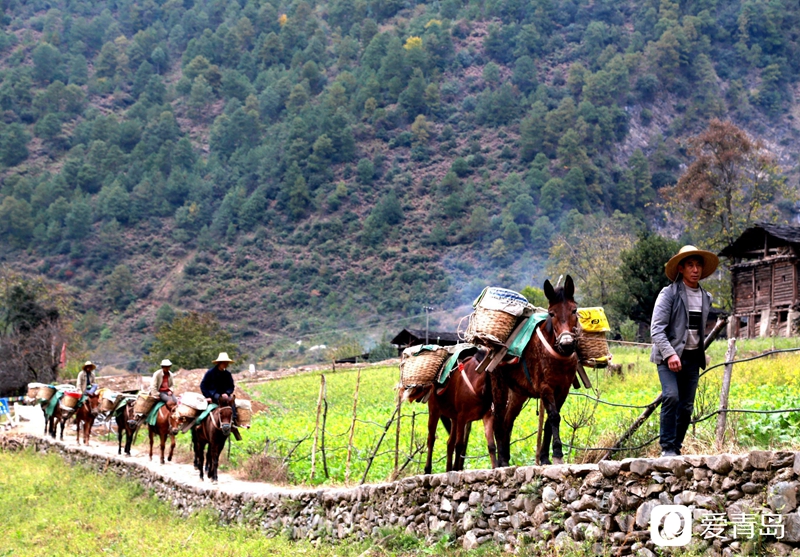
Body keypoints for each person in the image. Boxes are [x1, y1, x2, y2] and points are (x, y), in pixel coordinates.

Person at [650, 245, 717, 457]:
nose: (695, 270)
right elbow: (656, 329)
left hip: (691, 358)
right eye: (690, 265)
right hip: (667, 357)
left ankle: (676, 449)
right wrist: (670, 354)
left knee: (686, 407)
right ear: (681, 268)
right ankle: (667, 448)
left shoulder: (706, 297)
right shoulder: (669, 294)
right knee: (671, 396)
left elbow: (697, 330)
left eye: (698, 265)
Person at [200, 353, 236, 419]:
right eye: (224, 363)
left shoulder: (227, 374)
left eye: (227, 363)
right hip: (213, 394)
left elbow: (231, 386)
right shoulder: (210, 373)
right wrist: (208, 396)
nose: (226, 365)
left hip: (225, 395)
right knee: (222, 400)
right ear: (219, 363)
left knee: (231, 401)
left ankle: (233, 419)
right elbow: (203, 385)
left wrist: (227, 393)